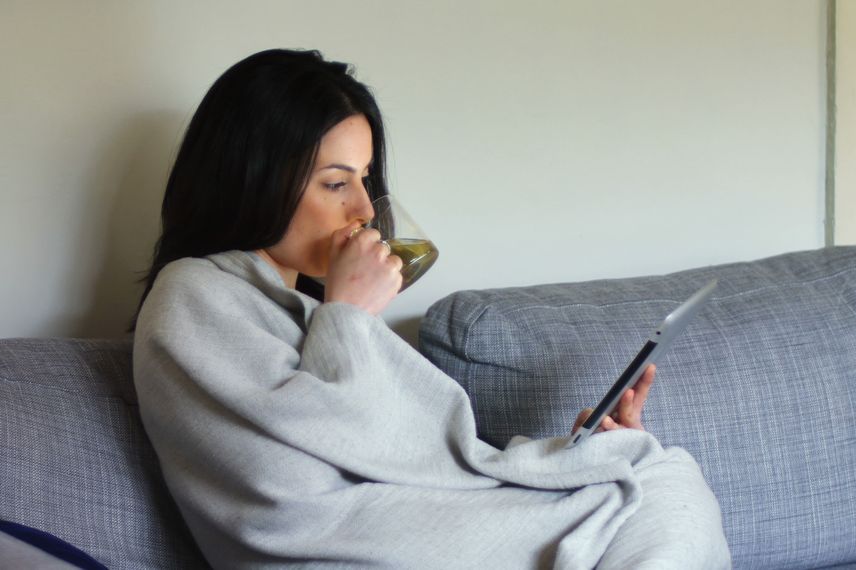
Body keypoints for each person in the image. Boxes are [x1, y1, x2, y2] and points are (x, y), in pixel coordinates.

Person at [132, 48, 730, 569]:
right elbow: (289, 487)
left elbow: (432, 464)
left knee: (647, 471)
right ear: (252, 178)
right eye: (336, 183)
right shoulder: (191, 295)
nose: (365, 209)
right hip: (356, 549)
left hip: (418, 529)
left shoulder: (302, 310)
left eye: (366, 180)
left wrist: (570, 458)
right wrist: (348, 314)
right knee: (655, 483)